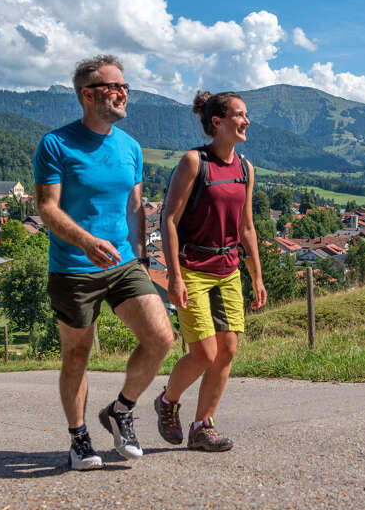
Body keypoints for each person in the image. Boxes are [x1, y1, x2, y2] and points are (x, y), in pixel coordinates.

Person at [33, 55, 174, 470]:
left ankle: (121, 410)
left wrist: (143, 257)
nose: (123, 93)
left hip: (124, 263)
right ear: (87, 94)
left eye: (124, 86)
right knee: (76, 355)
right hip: (73, 266)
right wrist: (86, 241)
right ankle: (79, 438)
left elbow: (134, 207)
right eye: (114, 87)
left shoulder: (130, 146)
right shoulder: (56, 144)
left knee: (161, 337)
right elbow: (47, 208)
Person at [155, 90, 267, 451]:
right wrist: (173, 276)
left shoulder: (245, 169)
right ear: (217, 122)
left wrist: (257, 275)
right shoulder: (193, 162)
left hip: (229, 268)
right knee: (203, 352)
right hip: (193, 268)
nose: (246, 121)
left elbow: (247, 227)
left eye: (246, 114)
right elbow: (168, 219)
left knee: (228, 349)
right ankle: (167, 402)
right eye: (239, 115)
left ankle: (203, 426)